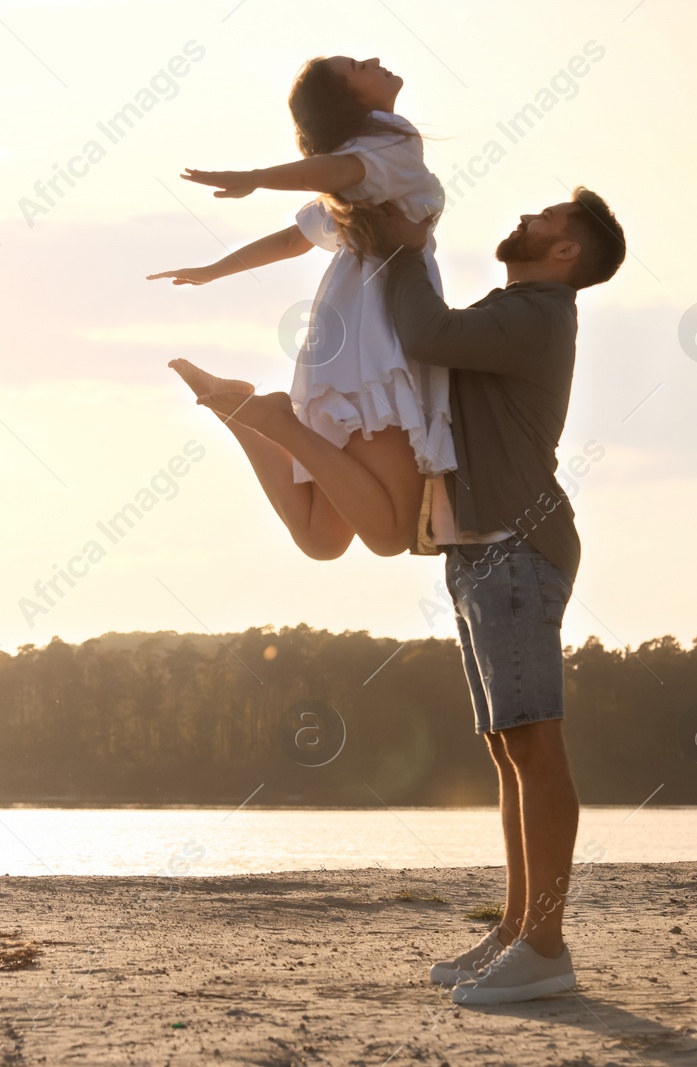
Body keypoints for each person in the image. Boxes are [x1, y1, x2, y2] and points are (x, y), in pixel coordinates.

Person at [370, 190, 627, 1004]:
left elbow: (424, 332)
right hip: (482, 547)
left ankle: (545, 944)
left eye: (549, 219)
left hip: (516, 547)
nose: (530, 217)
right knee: (510, 746)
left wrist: (405, 245)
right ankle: (519, 929)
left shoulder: (539, 313)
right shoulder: (519, 306)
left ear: (566, 255)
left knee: (535, 744)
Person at [147, 54, 451, 560]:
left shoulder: (370, 169)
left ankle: (241, 413)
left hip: (345, 349)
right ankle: (276, 421)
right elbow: (326, 185)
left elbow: (295, 238)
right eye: (357, 66)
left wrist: (212, 270)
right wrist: (255, 181)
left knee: (320, 539)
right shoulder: (392, 146)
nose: (373, 60)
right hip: (376, 353)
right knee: (391, 535)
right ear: (349, 100)